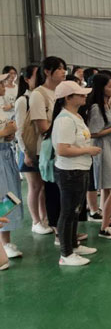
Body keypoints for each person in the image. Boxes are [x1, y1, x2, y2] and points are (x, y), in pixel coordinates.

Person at [50, 81, 101, 266]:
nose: (84, 96)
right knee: (68, 212)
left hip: (80, 169)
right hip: (70, 171)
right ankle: (66, 254)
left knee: (75, 210)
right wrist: (88, 150)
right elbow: (62, 149)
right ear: (67, 98)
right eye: (80, 94)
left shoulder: (76, 116)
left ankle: (73, 245)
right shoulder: (65, 120)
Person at [29, 56, 66, 237]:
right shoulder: (38, 94)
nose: (64, 72)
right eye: (59, 68)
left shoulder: (61, 91)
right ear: (47, 71)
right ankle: (59, 231)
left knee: (64, 191)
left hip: (63, 146)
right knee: (52, 190)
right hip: (49, 149)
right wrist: (66, 127)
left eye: (64, 68)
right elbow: (43, 127)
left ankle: (66, 230)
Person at [86, 73, 111, 240]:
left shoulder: (106, 104)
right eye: (110, 86)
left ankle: (107, 221)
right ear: (101, 88)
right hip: (103, 149)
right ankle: (104, 228)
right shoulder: (96, 108)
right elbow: (93, 133)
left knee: (108, 189)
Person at [14, 65, 51, 234]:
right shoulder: (23, 100)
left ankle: (45, 218)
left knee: (43, 186)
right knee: (34, 187)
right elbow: (19, 129)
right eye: (37, 75)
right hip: (29, 150)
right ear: (27, 79)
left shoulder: (41, 96)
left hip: (41, 149)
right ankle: (36, 221)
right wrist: (25, 153)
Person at [0, 92, 23, 265]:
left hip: (6, 154)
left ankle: (5, 241)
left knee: (9, 197)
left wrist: (8, 135)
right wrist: (3, 132)